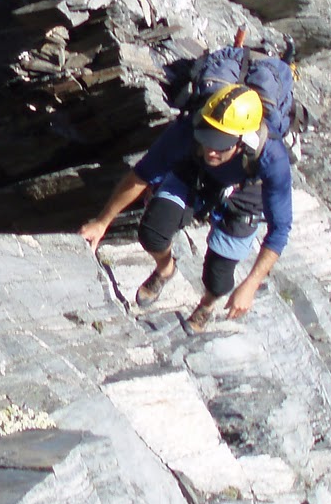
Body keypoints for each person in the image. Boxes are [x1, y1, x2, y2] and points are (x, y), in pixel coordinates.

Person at [77, 84, 292, 331]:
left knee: (218, 278)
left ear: (244, 141)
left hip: (244, 194)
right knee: (152, 233)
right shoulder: (189, 130)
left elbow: (279, 230)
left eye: (221, 144)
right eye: (208, 138)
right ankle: (165, 269)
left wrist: (251, 284)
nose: (211, 150)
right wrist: (102, 222)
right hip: (196, 174)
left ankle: (207, 305)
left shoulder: (272, 158)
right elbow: (142, 174)